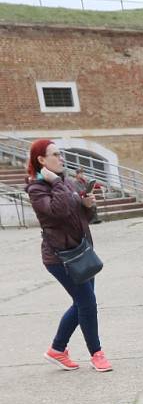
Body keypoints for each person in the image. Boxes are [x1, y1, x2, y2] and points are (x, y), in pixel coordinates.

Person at [25, 139, 113, 372]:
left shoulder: (66, 183)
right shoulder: (37, 189)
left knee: (81, 302)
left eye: (60, 154)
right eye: (55, 155)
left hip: (81, 251)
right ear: (41, 160)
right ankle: (97, 353)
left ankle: (57, 349)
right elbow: (59, 211)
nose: (61, 158)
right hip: (60, 257)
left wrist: (86, 204)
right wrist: (57, 184)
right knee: (87, 302)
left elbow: (83, 216)